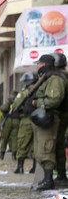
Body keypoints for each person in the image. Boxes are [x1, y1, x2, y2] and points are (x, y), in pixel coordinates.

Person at [30, 54, 66, 190]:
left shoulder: (55, 79)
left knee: (46, 149)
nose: (37, 66)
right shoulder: (48, 78)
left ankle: (48, 180)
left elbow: (54, 99)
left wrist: (37, 102)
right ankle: (47, 179)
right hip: (45, 117)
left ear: (45, 64)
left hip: (50, 117)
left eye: (39, 63)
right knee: (43, 149)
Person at [53, 53, 68, 183]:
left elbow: (56, 99)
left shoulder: (58, 78)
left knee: (59, 144)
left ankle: (61, 174)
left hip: (62, 114)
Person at [0, 91, 18, 161]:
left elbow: (3, 108)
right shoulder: (20, 100)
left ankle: (2, 152)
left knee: (5, 137)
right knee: (15, 138)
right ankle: (14, 154)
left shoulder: (9, 101)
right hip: (17, 120)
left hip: (9, 119)